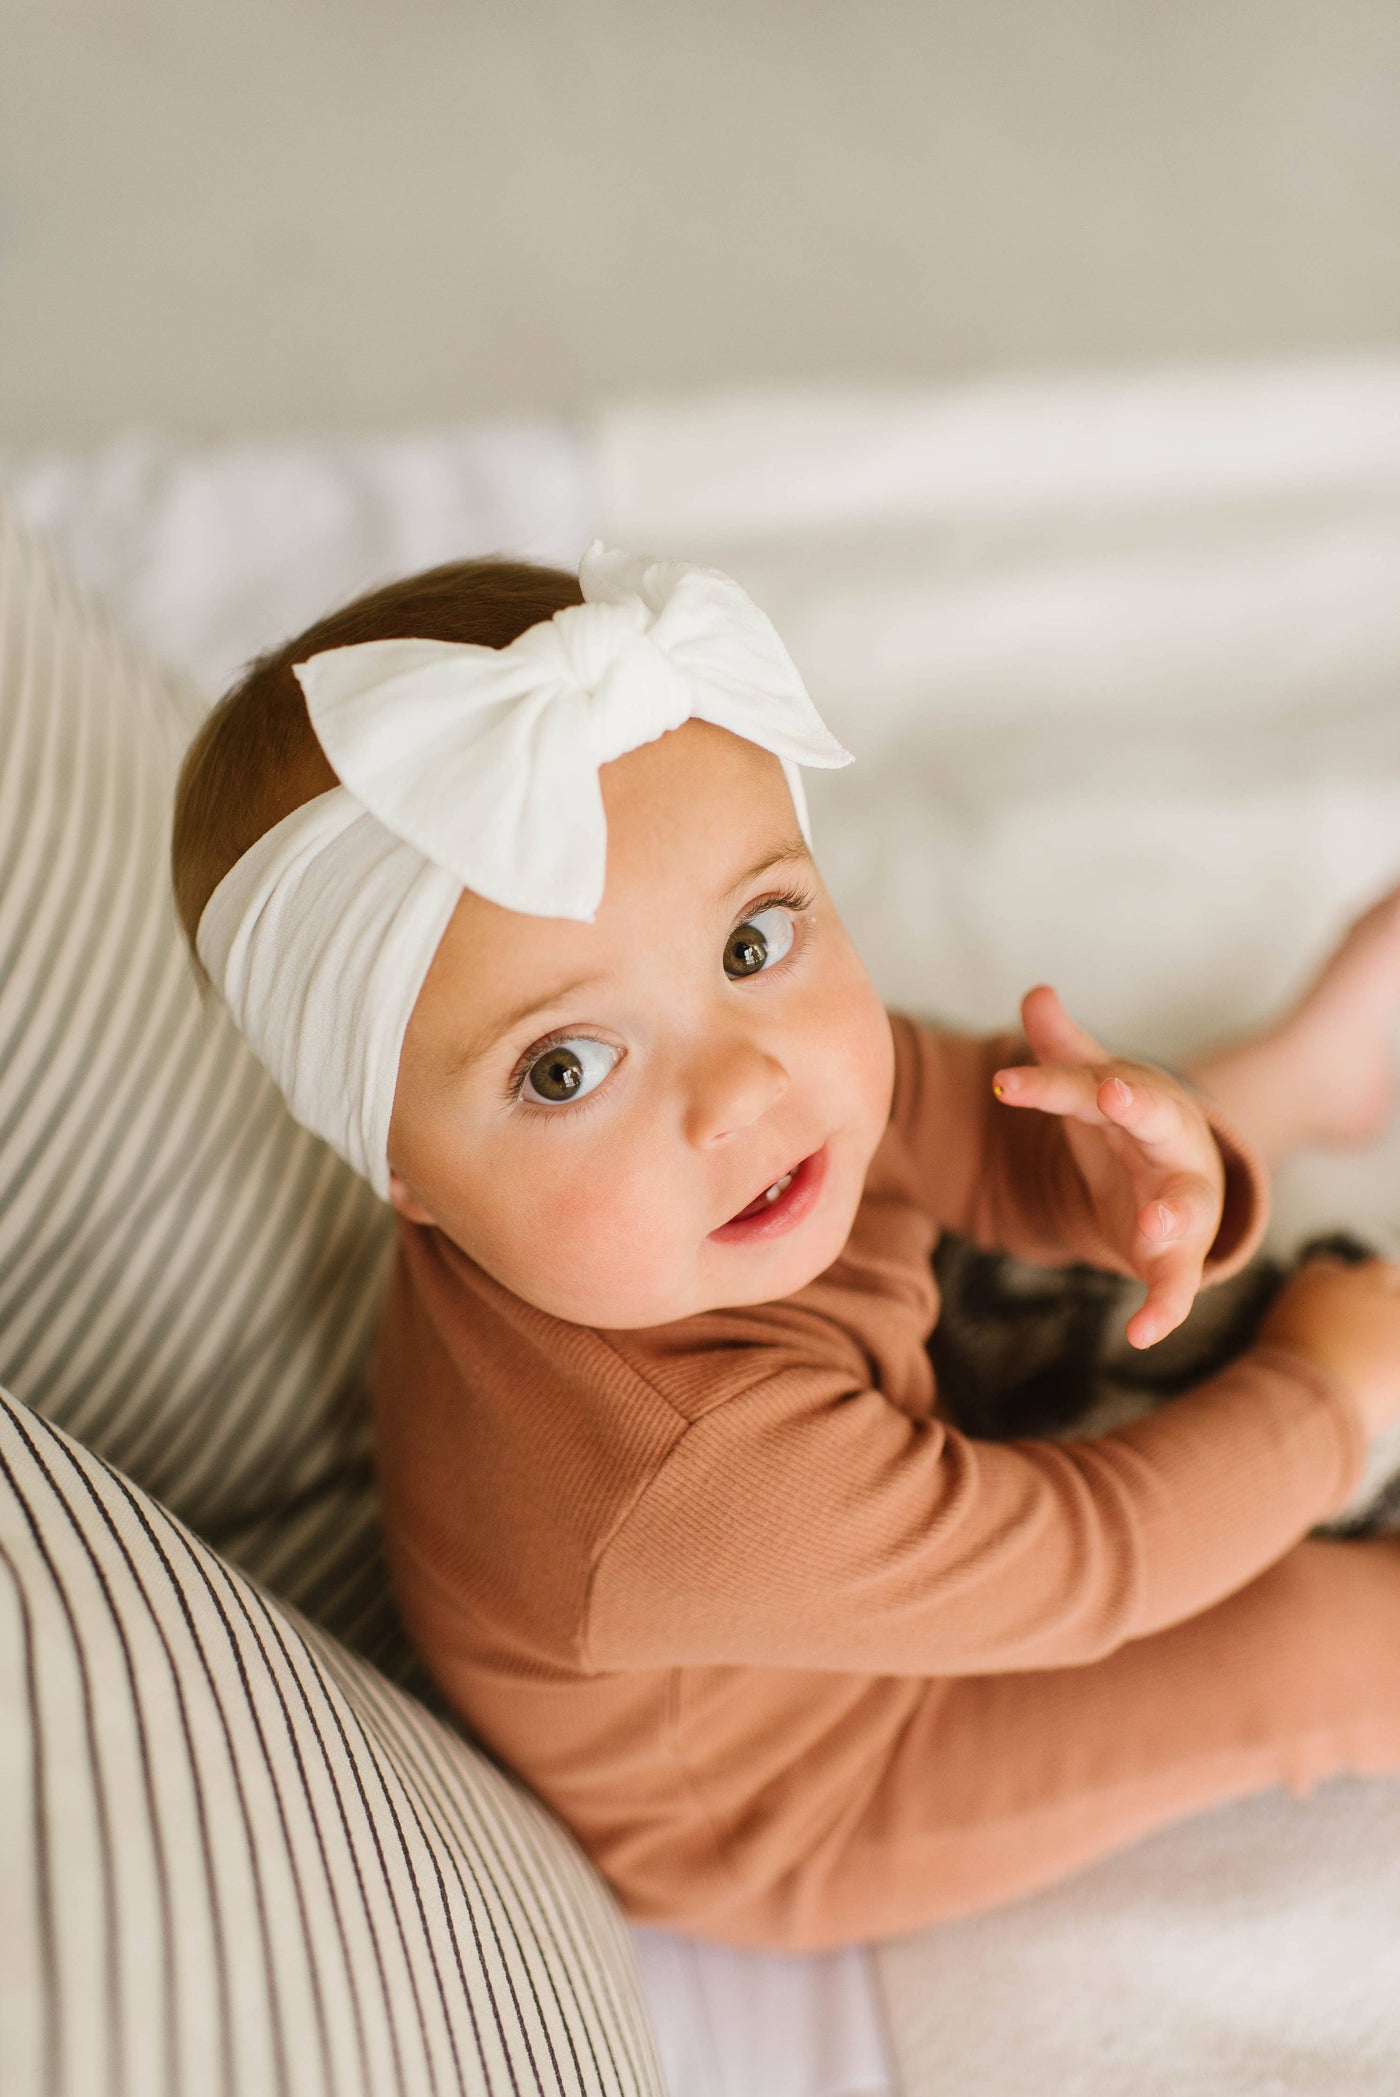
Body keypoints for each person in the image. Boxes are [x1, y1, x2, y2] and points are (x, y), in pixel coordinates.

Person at [172, 545, 1400, 1952]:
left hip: (873, 1435)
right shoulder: (669, 1474)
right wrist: (1327, 1395)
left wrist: (1137, 1177)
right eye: (566, 1069)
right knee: (1303, 1634)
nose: (742, 1091)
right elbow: (1081, 1563)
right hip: (834, 1777)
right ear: (405, 1175)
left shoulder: (662, 1198)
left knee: (1107, 1146)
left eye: (752, 942)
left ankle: (1289, 1087)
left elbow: (957, 1117)